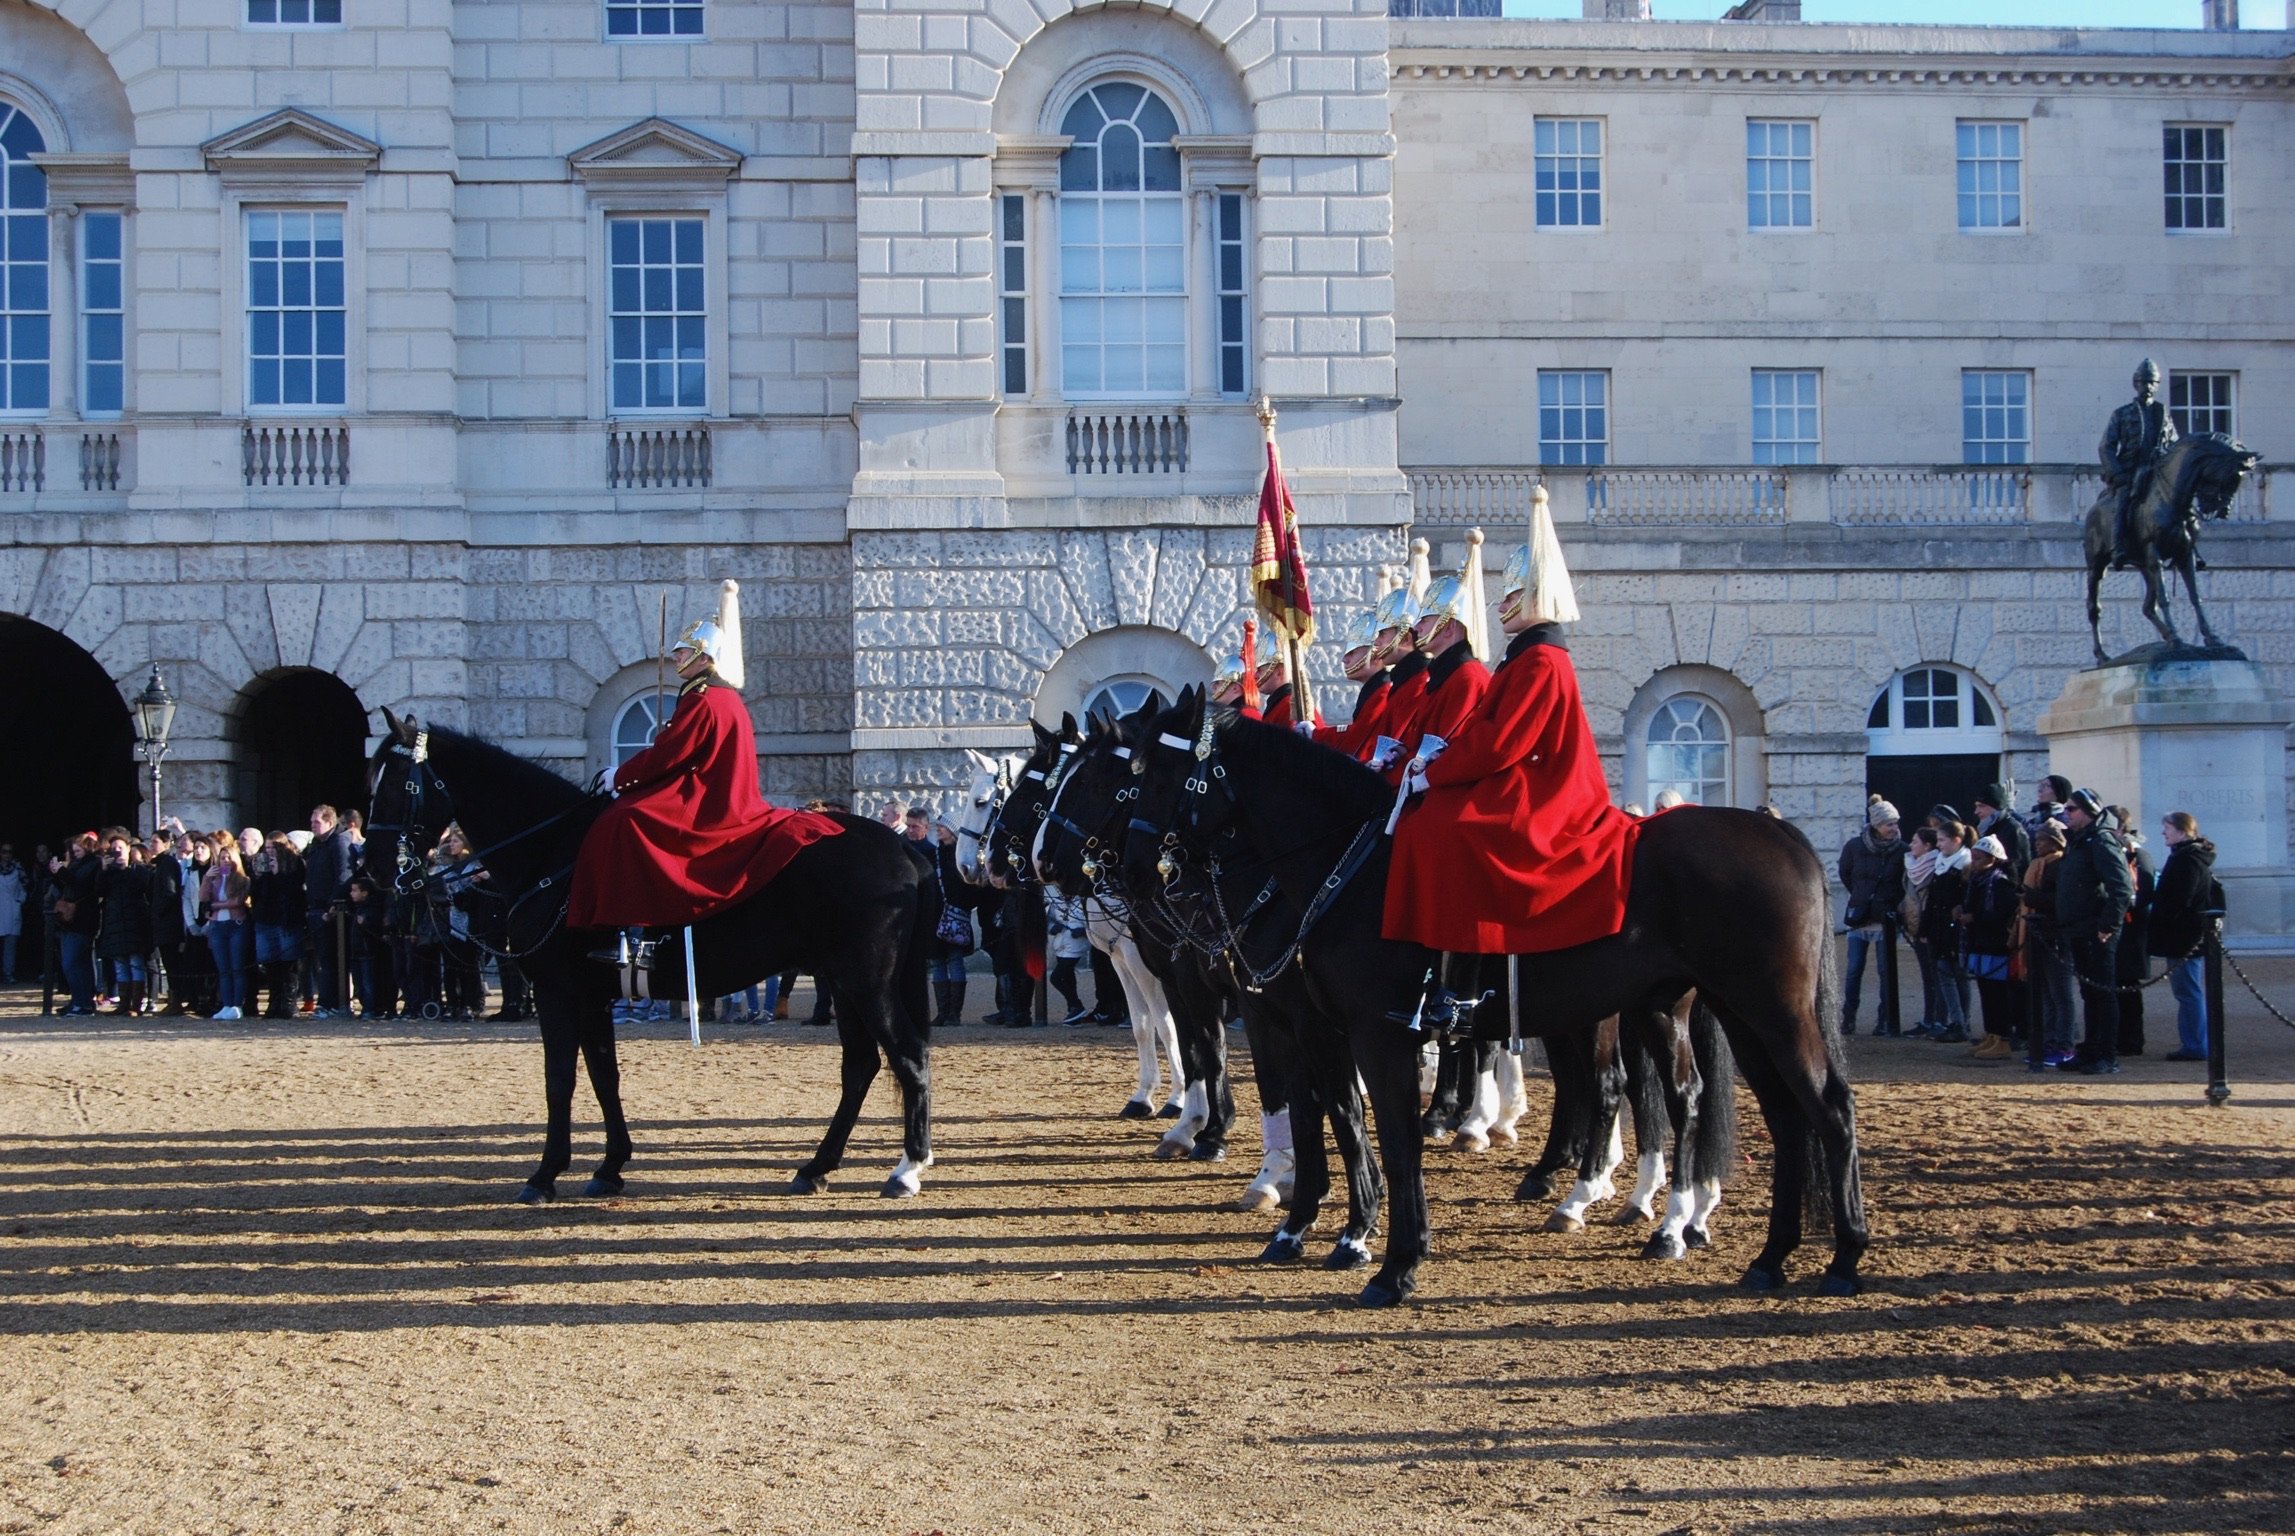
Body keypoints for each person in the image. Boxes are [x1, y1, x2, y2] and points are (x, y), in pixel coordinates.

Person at [1386, 499, 1639, 1022]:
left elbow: (1503, 743)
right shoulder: (1523, 657)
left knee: (1446, 827)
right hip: (1521, 776)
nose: (1501, 605)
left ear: (1537, 597)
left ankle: (1463, 984)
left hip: (1548, 788)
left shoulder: (1543, 660)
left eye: (1513, 595)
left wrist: (1434, 773)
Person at [571, 580, 843, 960]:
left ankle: (634, 935)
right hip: (711, 790)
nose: (676, 658)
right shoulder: (718, 697)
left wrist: (617, 776)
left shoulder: (704, 700)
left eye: (683, 652)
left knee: (624, 820)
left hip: (707, 799)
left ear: (704, 656)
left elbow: (668, 755)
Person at [1372, 560, 1490, 787]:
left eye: (1425, 620)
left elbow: (1444, 751)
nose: (1417, 628)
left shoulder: (1467, 678)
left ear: (1449, 627)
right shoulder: (1443, 676)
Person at [2057, 789, 2135, 1075]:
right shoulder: (2078, 841)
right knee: (2089, 992)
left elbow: (2121, 887)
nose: (2067, 813)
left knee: (2103, 992)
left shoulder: (2101, 841)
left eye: (2073, 809)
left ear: (2089, 811)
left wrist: (2108, 925)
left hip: (2096, 929)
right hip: (2078, 926)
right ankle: (2091, 1048)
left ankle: (2107, 1053)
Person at [2150, 811, 2219, 1062]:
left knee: (2188, 992)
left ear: (2181, 830)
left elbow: (2181, 898)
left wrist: (2160, 917)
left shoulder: (2186, 859)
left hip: (2183, 936)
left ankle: (2195, 1044)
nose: (2163, 832)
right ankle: (2193, 1041)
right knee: (2188, 991)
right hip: (2184, 934)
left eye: (2167, 827)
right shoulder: (2188, 856)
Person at [2100, 357, 2177, 570]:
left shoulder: (2163, 414)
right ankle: (2117, 549)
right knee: (2122, 504)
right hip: (2130, 472)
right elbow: (2106, 446)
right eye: (2144, 382)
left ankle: (2188, 550)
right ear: (2136, 384)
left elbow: (2175, 444)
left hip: (2157, 474)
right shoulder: (2122, 413)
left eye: (2152, 382)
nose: (2148, 386)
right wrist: (2117, 473)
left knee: (2180, 505)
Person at [1838, 797, 1906, 1035]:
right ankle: (1849, 1018)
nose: (1894, 829)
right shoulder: (1854, 847)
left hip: (1885, 920)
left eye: (1896, 824)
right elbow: (1845, 873)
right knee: (1854, 969)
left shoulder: (1902, 850)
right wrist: (1860, 896)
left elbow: (1903, 883)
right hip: (1859, 918)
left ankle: (1884, 1019)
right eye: (1889, 824)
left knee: (1885, 971)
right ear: (1877, 824)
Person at [2021, 819, 2077, 1070]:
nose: (2037, 845)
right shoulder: (2039, 865)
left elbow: (2061, 900)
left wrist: (2032, 897)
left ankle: (2064, 1044)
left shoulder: (2061, 865)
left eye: (2042, 840)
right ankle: (2048, 1039)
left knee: (2060, 994)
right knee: (2045, 993)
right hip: (2040, 934)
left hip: (2057, 935)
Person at [1959, 834, 2021, 1060]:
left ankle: (2002, 1037)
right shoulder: (1976, 881)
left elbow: (2003, 914)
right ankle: (1991, 1033)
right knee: (1986, 991)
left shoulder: (2000, 882)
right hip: (1979, 942)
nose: (1973, 862)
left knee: (1997, 994)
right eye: (1972, 858)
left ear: (1992, 859)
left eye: (1978, 858)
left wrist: (1974, 917)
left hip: (1995, 945)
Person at [1916, 820, 1972, 1043]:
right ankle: (1955, 1020)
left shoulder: (1964, 865)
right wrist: (1925, 927)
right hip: (1939, 928)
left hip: (1955, 930)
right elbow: (1933, 900)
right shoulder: (1942, 863)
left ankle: (1961, 1022)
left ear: (1956, 840)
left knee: (1958, 977)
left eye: (1942, 840)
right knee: (1944, 975)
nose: (1938, 845)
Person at [1310, 609, 1391, 762]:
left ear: (1374, 656)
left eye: (1352, 652)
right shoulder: (1374, 691)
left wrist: (1315, 734)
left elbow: (1356, 738)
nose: (1344, 660)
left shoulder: (1383, 694)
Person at [2109, 804, 2155, 1056]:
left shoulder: (2139, 856)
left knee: (2128, 989)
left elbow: (2145, 891)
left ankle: (2131, 1039)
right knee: (2117, 987)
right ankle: (2119, 1036)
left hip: (2131, 929)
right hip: (2119, 927)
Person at [94, 831, 156, 1017]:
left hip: (136, 922)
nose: (117, 852)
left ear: (129, 849)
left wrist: (130, 868)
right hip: (115, 922)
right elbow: (98, 891)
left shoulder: (139, 871)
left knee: (135, 962)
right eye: (114, 849)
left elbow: (147, 891)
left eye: (120, 848)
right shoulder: (109, 874)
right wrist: (103, 871)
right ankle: (123, 1002)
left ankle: (136, 1004)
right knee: (120, 964)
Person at [249, 831, 308, 1019]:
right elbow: (256, 895)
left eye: (273, 848)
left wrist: (278, 874)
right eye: (266, 848)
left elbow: (295, 891)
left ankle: (288, 1003)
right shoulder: (263, 864)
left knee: (288, 962)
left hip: (287, 918)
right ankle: (274, 1003)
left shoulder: (294, 863)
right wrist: (258, 876)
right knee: (270, 962)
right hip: (266, 917)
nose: (269, 852)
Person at [303, 804, 354, 1018]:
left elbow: (343, 875)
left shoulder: (338, 844)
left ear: (330, 823)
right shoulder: (317, 845)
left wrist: (333, 905)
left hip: (331, 912)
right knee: (323, 960)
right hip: (315, 909)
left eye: (317, 822)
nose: (313, 826)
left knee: (332, 960)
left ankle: (332, 1003)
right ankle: (326, 1002)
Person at [200, 837, 251, 1020]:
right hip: (218, 926)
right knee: (223, 969)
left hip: (235, 925)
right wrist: (207, 879)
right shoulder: (214, 879)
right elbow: (203, 898)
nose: (225, 861)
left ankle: (237, 1005)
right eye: (222, 858)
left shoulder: (242, 879)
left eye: (228, 857)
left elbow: (237, 902)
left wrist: (215, 906)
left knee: (236, 967)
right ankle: (226, 1004)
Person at [1901, 826, 1941, 1035]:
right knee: (1927, 976)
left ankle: (1938, 1019)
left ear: (1927, 846)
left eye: (1915, 841)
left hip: (1930, 930)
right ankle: (1929, 1018)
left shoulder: (1936, 866)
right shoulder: (1911, 866)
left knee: (1937, 976)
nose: (1911, 845)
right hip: (1916, 928)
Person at [1046, 889, 1092, 1025]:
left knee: (1055, 977)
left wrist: (1084, 931)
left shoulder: (1083, 900)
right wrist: (1052, 927)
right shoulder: (1055, 901)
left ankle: (1077, 1006)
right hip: (1060, 944)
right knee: (1068, 978)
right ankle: (1073, 1010)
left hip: (1076, 946)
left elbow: (1095, 922)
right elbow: (1049, 920)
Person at [1971, 783, 2031, 875]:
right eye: (1976, 806)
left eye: (1982, 806)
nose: (1976, 812)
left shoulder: (2013, 829)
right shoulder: (1985, 828)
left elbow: (2020, 867)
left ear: (1996, 807)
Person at [0, 843, 25, 983]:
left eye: (9, 852)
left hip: (12, 910)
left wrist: (19, 901)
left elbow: (25, 886)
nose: (7, 855)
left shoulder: (18, 868)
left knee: (10, 945)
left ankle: (8, 974)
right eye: (4, 852)